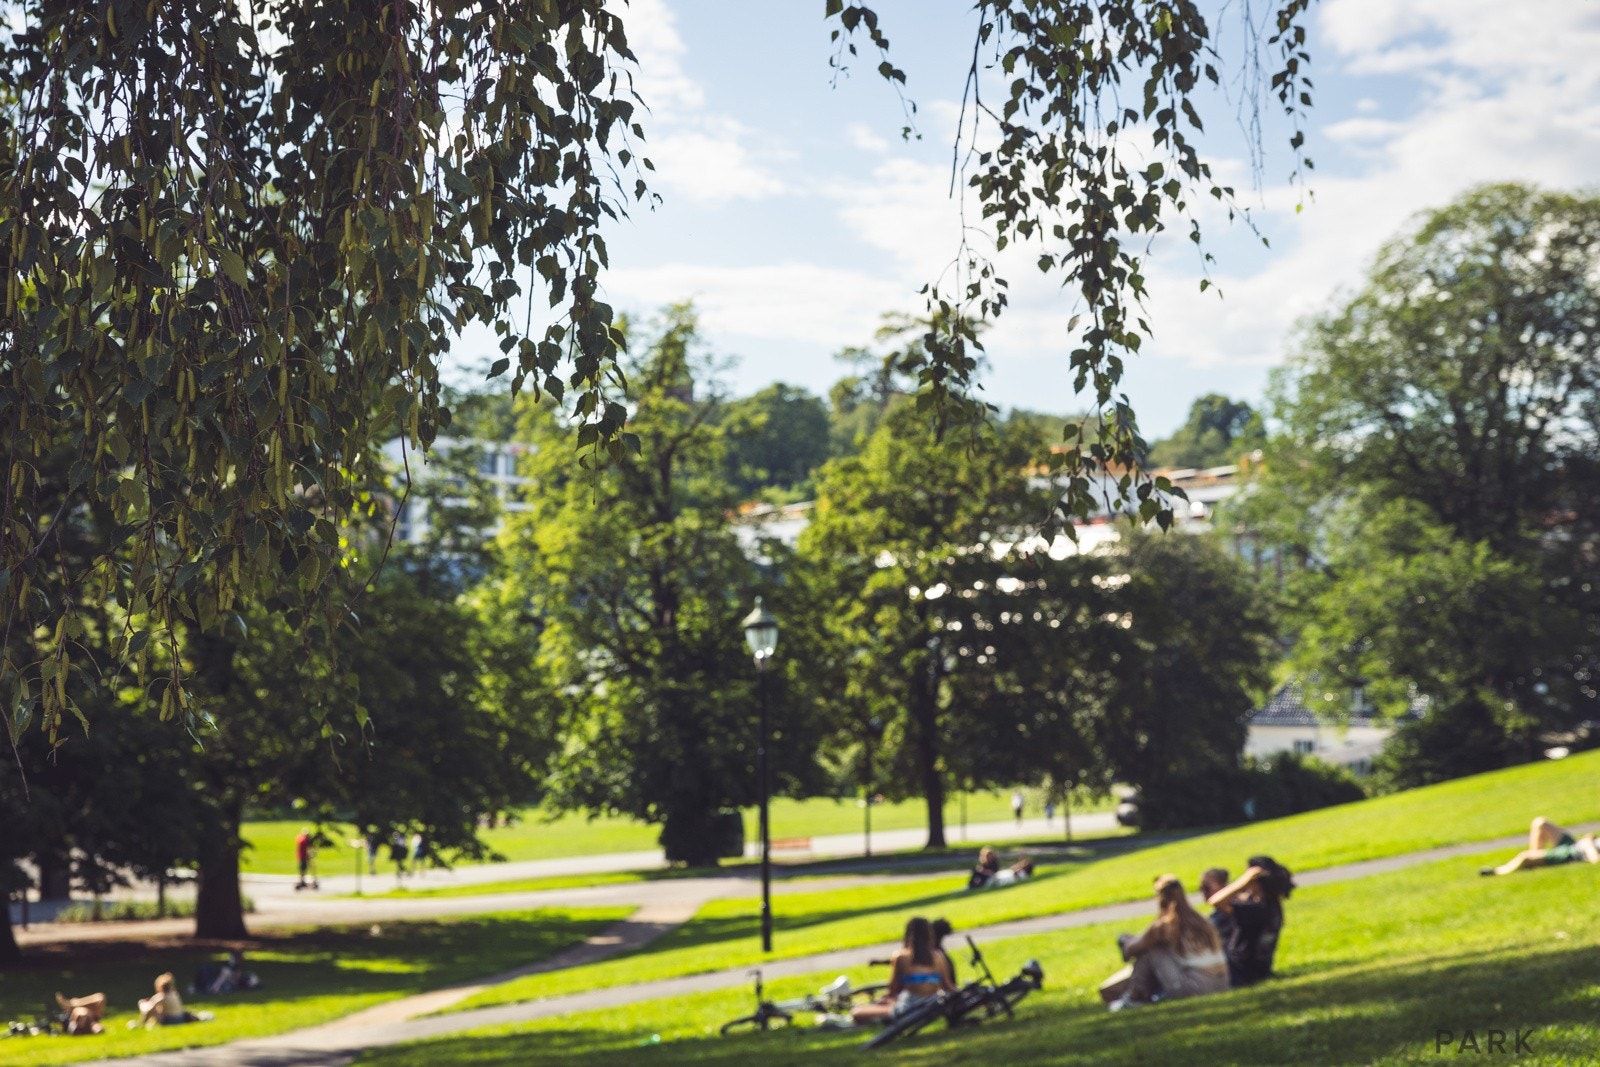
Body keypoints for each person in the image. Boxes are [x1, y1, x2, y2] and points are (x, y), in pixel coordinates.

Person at [1104, 874, 1228, 1010]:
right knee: (1157, 949)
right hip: (1222, 983)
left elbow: (1130, 951)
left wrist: (1125, 940)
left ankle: (1135, 996)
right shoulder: (1202, 920)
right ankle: (1142, 995)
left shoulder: (1165, 925)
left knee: (1151, 951)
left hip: (1195, 986)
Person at [1207, 855, 1295, 988]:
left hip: (1238, 970)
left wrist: (1242, 881)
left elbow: (1215, 901)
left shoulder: (1254, 910)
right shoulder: (1273, 905)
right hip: (1259, 970)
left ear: (1254, 881)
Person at [850, 916, 957, 1025]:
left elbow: (893, 989)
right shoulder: (938, 956)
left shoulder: (901, 957)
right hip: (931, 1003)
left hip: (908, 1009)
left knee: (857, 1012)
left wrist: (886, 999)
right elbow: (948, 986)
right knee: (887, 1002)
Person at [1482, 816, 1600, 876]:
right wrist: (1591, 838)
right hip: (1575, 844)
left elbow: (1595, 859)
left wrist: (1588, 844)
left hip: (1574, 854)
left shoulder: (1581, 851)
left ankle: (1496, 872)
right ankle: (1536, 860)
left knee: (1525, 857)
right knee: (1540, 823)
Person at [1199, 867, 1237, 948]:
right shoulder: (1214, 916)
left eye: (1207, 888)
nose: (1203, 892)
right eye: (1201, 888)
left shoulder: (1238, 911)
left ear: (1225, 887)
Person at [968, 846, 1035, 889]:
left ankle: (973, 886)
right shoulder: (984, 864)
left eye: (1023, 865)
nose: (1019, 865)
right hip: (995, 877)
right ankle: (972, 885)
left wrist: (982, 871)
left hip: (994, 879)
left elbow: (994, 874)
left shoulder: (1021, 874)